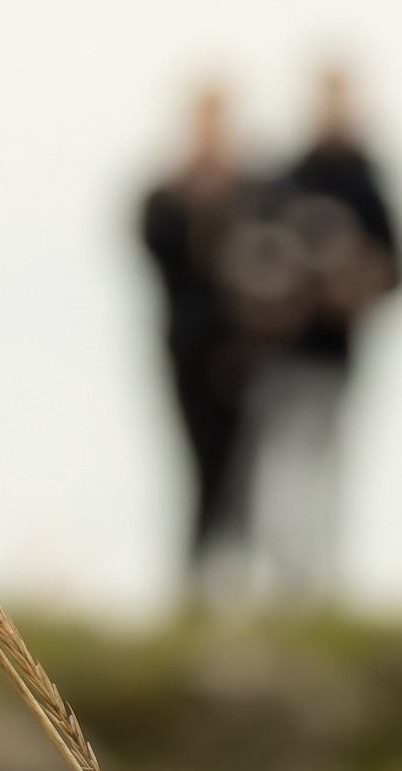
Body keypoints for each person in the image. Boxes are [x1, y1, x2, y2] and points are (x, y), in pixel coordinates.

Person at [223, 66, 402, 605]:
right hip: (280, 356)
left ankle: (318, 582)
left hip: (337, 354)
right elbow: (243, 263)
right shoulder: (283, 179)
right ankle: (285, 580)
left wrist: (354, 284)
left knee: (328, 464)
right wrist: (275, 298)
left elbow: (399, 270)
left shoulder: (369, 181)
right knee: (279, 463)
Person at [140, 85, 256, 590]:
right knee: (197, 461)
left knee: (241, 464)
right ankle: (196, 571)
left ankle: (229, 572)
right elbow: (155, 250)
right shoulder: (166, 195)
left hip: (246, 357)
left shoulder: (253, 191)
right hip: (187, 351)